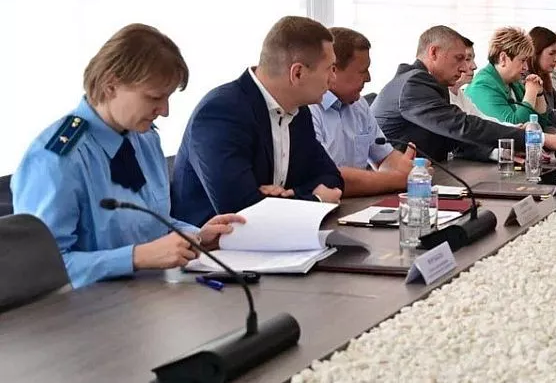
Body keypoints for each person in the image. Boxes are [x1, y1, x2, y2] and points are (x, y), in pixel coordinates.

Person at [13, 24, 244, 288]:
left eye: (168, 97)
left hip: (151, 295)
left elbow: (152, 222)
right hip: (87, 307)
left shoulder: (144, 138)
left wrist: (196, 237)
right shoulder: (55, 159)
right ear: (111, 85)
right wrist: (134, 257)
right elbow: (40, 268)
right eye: (154, 97)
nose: (164, 110)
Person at [172, 16, 345, 225]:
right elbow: (240, 210)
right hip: (211, 242)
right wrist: (315, 199)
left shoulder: (299, 110)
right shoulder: (221, 112)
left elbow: (332, 178)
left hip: (278, 235)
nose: (333, 79)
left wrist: (288, 195)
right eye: (329, 69)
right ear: (297, 73)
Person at [371, 25, 556, 162]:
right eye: (459, 58)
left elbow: (453, 138)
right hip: (397, 187)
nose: (464, 67)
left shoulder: (431, 83)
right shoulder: (414, 84)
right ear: (433, 52)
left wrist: (504, 152)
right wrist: (536, 138)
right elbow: (464, 126)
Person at [309, 27, 417, 197]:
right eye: (363, 71)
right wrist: (399, 179)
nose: (368, 78)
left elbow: (385, 158)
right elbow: (328, 177)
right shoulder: (307, 109)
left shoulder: (359, 105)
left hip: (358, 203)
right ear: (333, 70)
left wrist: (411, 170)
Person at [464, 27, 549, 125]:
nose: (526, 67)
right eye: (522, 60)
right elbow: (513, 126)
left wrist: (538, 94)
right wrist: (531, 92)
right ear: (503, 58)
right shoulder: (482, 86)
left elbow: (541, 123)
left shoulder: (514, 82)